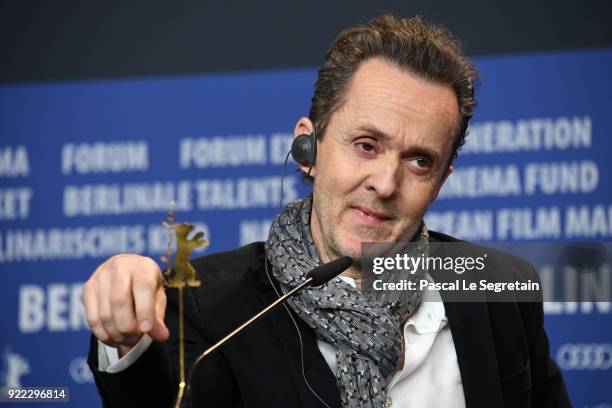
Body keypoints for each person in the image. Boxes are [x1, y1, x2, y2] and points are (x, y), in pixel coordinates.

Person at [83, 14, 571, 408]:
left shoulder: (498, 288)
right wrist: (128, 339)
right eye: (365, 145)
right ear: (308, 146)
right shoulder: (206, 302)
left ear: (441, 181)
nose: (384, 183)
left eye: (420, 161)